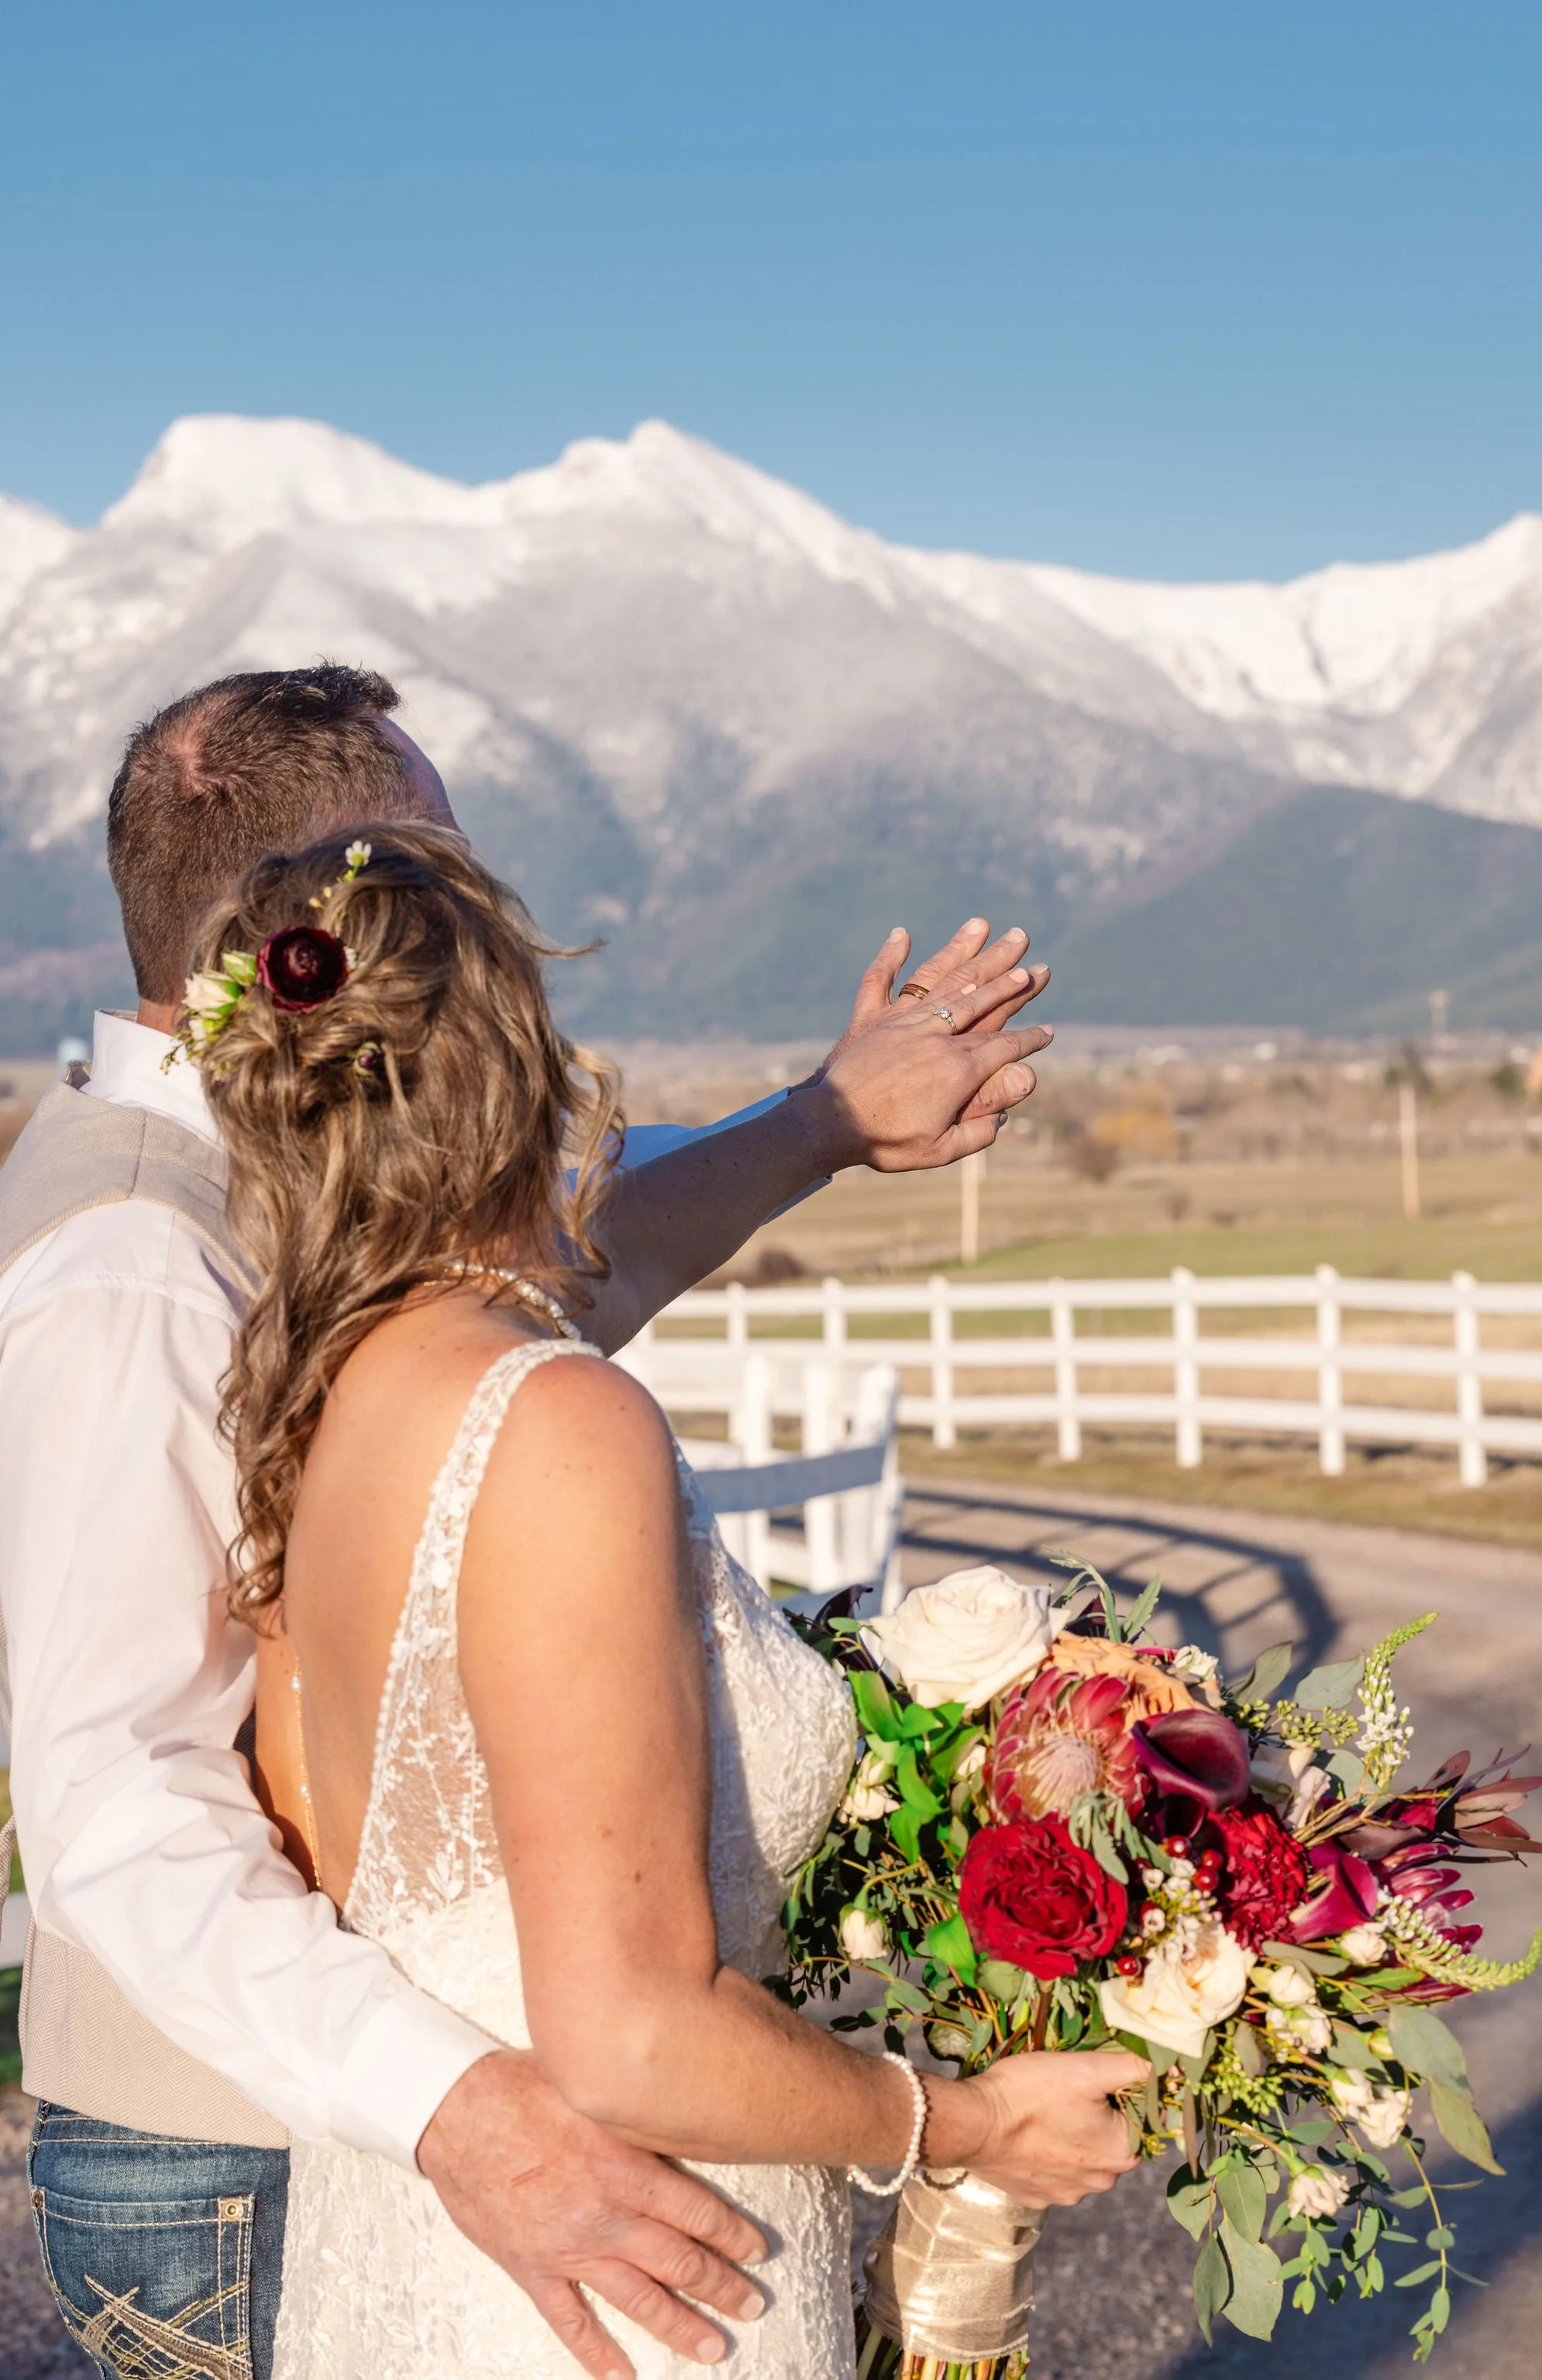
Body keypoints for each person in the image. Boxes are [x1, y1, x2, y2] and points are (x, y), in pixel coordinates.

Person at [0, 663, 1058, 2380]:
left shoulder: (323, 1191)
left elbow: (537, 1291)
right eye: (451, 861)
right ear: (343, 901)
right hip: (250, 2151)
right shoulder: (133, 1253)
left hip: (385, 2117)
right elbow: (116, 1793)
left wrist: (819, 1123)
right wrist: (456, 2107)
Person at [198, 821, 1146, 2378]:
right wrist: (970, 2120)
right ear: (522, 1064)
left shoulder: (322, 1395)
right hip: (639, 2288)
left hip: (410, 2267)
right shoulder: (552, 1422)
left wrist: (824, 1118)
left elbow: (597, 1263)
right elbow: (629, 2033)